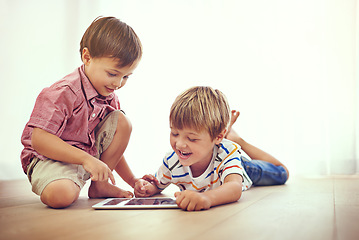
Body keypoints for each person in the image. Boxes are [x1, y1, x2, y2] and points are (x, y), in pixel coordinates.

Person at [20, 16, 143, 208]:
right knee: (60, 196)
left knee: (122, 122)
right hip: (49, 159)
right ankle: (64, 182)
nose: (118, 84)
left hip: (86, 158)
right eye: (112, 74)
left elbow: (112, 144)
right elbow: (39, 139)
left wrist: (133, 180)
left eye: (126, 76)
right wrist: (86, 159)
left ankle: (100, 185)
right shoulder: (64, 92)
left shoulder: (109, 95)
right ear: (87, 57)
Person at [134, 86, 289, 211]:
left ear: (217, 138)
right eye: (175, 133)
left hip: (243, 169)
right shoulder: (172, 159)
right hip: (218, 155)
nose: (179, 144)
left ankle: (236, 139)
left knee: (282, 173)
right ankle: (228, 133)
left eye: (192, 138)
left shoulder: (227, 154)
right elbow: (158, 184)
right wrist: (147, 188)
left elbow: (234, 188)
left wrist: (207, 198)